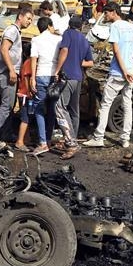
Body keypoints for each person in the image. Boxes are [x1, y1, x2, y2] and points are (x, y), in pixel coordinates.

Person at [84, 2, 133, 150]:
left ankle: (98, 137)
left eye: (106, 13)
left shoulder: (115, 27)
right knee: (127, 104)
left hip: (119, 73)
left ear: (113, 12)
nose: (105, 15)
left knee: (106, 105)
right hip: (131, 72)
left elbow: (116, 51)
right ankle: (125, 138)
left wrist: (124, 70)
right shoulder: (132, 27)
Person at [0, 6, 34, 148]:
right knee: (6, 105)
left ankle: (5, 134)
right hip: (7, 74)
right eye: (28, 18)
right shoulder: (12, 30)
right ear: (20, 16)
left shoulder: (16, 32)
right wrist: (12, 70)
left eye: (31, 19)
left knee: (10, 105)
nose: (29, 22)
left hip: (10, 73)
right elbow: (4, 49)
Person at [53, 14, 94, 158]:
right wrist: (77, 61)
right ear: (81, 26)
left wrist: (57, 70)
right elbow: (90, 62)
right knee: (74, 110)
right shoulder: (84, 40)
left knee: (59, 107)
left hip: (68, 76)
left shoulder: (67, 34)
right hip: (78, 78)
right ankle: (72, 138)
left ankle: (71, 143)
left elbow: (64, 51)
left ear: (69, 25)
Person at [27, 17, 62, 156]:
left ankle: (42, 143)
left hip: (41, 75)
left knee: (39, 109)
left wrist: (32, 78)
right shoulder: (59, 39)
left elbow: (33, 60)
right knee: (52, 110)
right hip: (54, 76)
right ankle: (48, 139)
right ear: (49, 26)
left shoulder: (36, 40)